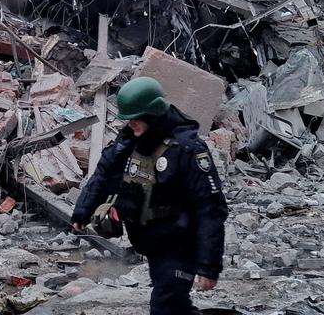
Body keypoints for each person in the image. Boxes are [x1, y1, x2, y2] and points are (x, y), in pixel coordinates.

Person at [71, 77, 228, 315]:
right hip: (151, 242)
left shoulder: (187, 150)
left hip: (180, 245)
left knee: (164, 306)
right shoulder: (131, 140)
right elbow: (104, 173)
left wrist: (209, 265)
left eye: (135, 119)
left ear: (152, 114)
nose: (130, 124)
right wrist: (83, 210)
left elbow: (211, 208)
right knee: (175, 306)